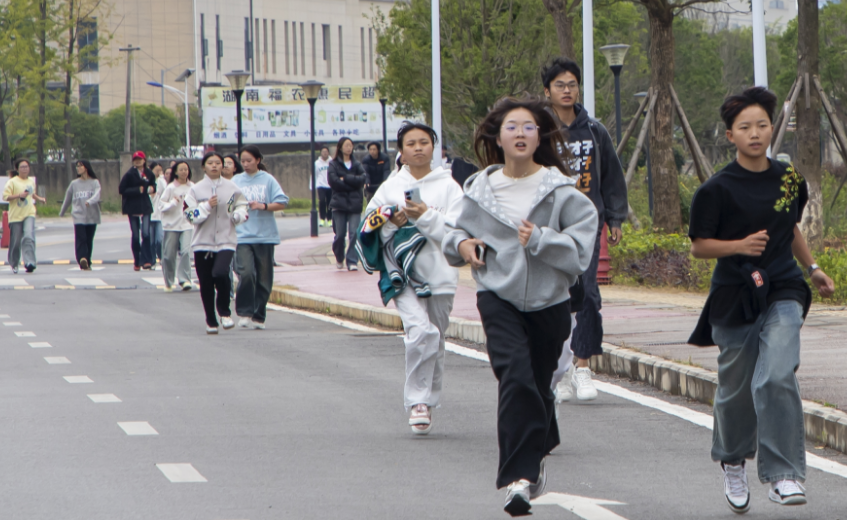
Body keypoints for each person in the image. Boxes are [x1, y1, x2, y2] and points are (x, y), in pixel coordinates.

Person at [442, 96, 597, 517]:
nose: (521, 134)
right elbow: (452, 232)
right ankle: (518, 479)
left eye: (529, 127)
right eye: (512, 127)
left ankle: (541, 442)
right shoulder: (479, 190)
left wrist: (541, 239)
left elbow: (581, 252)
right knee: (515, 376)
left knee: (539, 383)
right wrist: (463, 245)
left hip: (550, 301)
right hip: (498, 296)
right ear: (498, 138)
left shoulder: (561, 190)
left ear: (539, 136)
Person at [687, 87, 835, 513]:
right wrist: (738, 246)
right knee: (735, 390)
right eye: (745, 127)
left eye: (762, 125)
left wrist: (812, 268)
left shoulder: (788, 179)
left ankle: (784, 473)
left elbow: (790, 228)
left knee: (776, 375)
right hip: (734, 294)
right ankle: (733, 460)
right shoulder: (716, 189)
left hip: (783, 288)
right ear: (729, 135)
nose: (755, 133)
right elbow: (699, 246)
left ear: (773, 129)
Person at [362, 122, 464, 435]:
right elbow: (369, 228)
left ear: (434, 148)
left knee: (436, 338)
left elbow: (457, 233)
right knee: (421, 331)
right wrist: (393, 222)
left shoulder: (450, 187)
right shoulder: (390, 187)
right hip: (401, 275)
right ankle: (418, 401)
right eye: (411, 143)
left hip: (440, 275)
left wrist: (425, 216)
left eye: (424, 142)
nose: (418, 148)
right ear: (402, 152)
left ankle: (428, 402)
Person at [541, 57, 628, 402]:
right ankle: (560, 369)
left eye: (572, 84)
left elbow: (612, 176)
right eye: (559, 85)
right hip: (551, 226)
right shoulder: (538, 131)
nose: (567, 90)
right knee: (557, 296)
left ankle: (583, 366)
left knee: (588, 293)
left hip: (588, 223)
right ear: (547, 91)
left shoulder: (594, 130)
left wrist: (616, 218)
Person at [184, 152, 249, 334]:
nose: (214, 166)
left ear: (223, 166)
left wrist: (238, 215)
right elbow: (189, 215)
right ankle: (211, 320)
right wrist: (206, 206)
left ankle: (225, 312)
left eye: (218, 163)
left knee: (220, 273)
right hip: (202, 243)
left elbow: (241, 205)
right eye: (210, 163)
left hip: (226, 240)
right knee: (206, 283)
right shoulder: (195, 190)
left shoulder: (231, 188)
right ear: (204, 166)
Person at [232, 145, 289, 329]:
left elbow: (282, 202)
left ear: (258, 160)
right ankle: (244, 312)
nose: (245, 164)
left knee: (264, 279)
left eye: (249, 160)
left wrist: (262, 206)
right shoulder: (236, 180)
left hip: (265, 236)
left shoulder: (268, 180)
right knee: (246, 273)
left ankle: (259, 315)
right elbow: (227, 204)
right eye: (243, 161)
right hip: (242, 236)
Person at [328, 137, 367, 270]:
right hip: (339, 204)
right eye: (346, 145)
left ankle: (352, 260)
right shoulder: (333, 164)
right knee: (340, 235)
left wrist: (346, 178)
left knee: (354, 233)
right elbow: (334, 182)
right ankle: (339, 257)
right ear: (340, 147)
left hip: (355, 204)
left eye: (351, 145)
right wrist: (353, 184)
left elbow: (362, 179)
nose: (349, 148)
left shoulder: (357, 164)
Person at [2, 159, 47, 273]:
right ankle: (14, 263)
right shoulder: (12, 182)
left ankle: (30, 262)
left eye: (26, 167)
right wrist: (19, 195)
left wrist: (40, 199)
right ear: (17, 169)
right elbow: (5, 197)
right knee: (16, 241)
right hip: (15, 216)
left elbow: (32, 194)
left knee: (29, 236)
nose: (25, 169)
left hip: (29, 213)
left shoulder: (30, 181)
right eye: (22, 167)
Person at [158, 161, 195, 292]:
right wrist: (173, 203)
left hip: (187, 224)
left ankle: (185, 280)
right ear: (176, 172)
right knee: (168, 255)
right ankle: (168, 281)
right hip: (171, 225)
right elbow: (161, 205)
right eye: (181, 170)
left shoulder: (193, 187)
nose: (184, 172)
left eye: (186, 169)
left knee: (185, 252)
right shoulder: (171, 188)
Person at [119, 151, 157, 271]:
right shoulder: (129, 174)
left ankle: (147, 260)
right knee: (135, 236)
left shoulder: (149, 173)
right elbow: (122, 189)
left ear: (144, 160)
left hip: (145, 207)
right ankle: (137, 260)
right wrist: (137, 190)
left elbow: (153, 185)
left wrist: (152, 189)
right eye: (135, 160)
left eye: (140, 159)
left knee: (146, 234)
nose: (138, 161)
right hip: (132, 208)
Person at [59, 160, 101, 270]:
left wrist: (90, 201)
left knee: (88, 239)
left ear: (86, 167)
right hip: (78, 215)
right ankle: (82, 258)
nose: (78, 168)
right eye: (77, 166)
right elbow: (67, 198)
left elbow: (97, 195)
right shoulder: (74, 184)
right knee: (81, 238)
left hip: (92, 215)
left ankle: (87, 261)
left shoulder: (95, 182)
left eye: (80, 166)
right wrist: (62, 211)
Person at [149, 161, 167, 266]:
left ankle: (161, 257)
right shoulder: (147, 180)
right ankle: (152, 260)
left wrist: (161, 177)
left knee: (159, 239)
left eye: (160, 170)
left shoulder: (161, 181)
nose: (158, 172)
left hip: (159, 216)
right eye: (156, 170)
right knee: (150, 241)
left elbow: (166, 190)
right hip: (149, 215)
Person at [314, 146, 333, 227]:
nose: (325, 153)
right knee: (322, 201)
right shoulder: (317, 163)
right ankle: (322, 218)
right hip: (320, 185)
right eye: (323, 151)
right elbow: (315, 174)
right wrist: (313, 185)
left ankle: (329, 219)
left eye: (326, 151)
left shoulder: (332, 162)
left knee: (330, 202)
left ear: (328, 153)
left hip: (330, 185)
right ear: (321, 153)